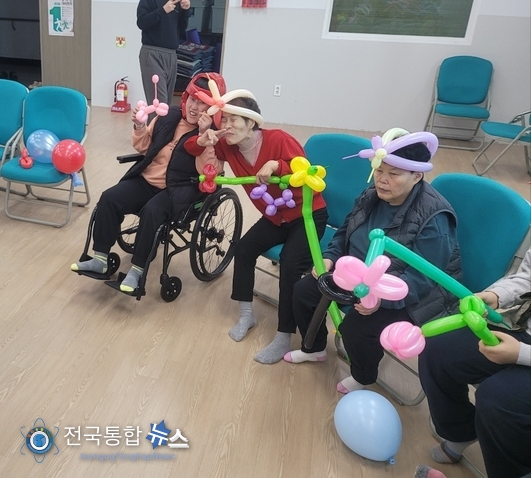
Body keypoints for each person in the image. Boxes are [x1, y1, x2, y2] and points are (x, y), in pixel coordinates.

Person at [283, 128, 461, 395]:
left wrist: (381, 298)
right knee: (303, 292)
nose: (382, 180)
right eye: (379, 170)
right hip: (358, 273)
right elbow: (345, 230)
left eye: (394, 174)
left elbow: (425, 278)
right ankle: (315, 348)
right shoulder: (372, 194)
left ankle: (363, 376)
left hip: (407, 291)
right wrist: (331, 257)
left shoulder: (435, 217)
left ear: (416, 175)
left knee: (356, 328)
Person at [184, 92, 329, 363]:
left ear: (251, 122)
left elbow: (305, 170)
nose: (227, 125)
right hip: (275, 217)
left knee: (290, 264)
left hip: (307, 215)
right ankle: (246, 315)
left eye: (234, 119)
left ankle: (284, 335)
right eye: (224, 119)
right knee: (243, 249)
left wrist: (277, 165)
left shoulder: (279, 139)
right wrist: (203, 137)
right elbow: (191, 149)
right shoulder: (227, 145)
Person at [71, 73, 225, 293]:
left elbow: (208, 171)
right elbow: (144, 147)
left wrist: (204, 138)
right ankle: (100, 259)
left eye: (202, 103)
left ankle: (136, 271)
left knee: (152, 211)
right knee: (109, 198)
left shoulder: (214, 134)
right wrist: (139, 125)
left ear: (212, 109)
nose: (194, 107)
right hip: (147, 180)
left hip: (179, 190)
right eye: (192, 99)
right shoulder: (167, 115)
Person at [419, 246, 531, 478]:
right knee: (438, 350)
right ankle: (461, 433)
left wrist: (520, 353)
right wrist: (497, 295)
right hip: (524, 330)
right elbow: (527, 276)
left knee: (498, 400)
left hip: (523, 349)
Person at [137, 0, 191, 106]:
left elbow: (181, 29)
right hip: (152, 53)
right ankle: (154, 118)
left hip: (171, 54)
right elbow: (141, 22)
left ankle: (159, 118)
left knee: (166, 104)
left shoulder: (177, 2)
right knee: (158, 103)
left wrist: (185, 11)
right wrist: (162, 11)